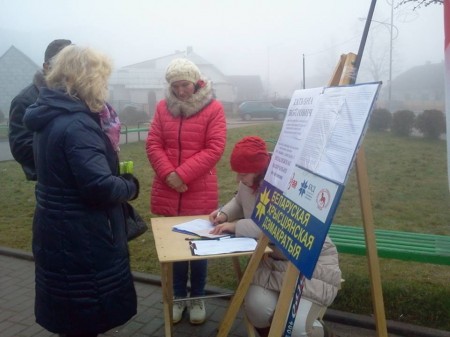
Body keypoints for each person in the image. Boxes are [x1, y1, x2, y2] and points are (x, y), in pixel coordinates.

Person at [23, 45, 138, 337]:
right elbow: (98, 186)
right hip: (82, 237)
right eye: (103, 78)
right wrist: (130, 185)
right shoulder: (77, 124)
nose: (105, 86)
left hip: (57, 230)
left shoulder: (48, 115)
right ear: (88, 79)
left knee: (70, 316)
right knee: (85, 315)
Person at [209, 136, 341, 337]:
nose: (239, 179)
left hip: (310, 261)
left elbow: (271, 228)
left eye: (243, 173)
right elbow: (238, 200)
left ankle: (322, 333)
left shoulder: (285, 183)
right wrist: (224, 214)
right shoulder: (249, 182)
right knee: (256, 309)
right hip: (273, 260)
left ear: (259, 169)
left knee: (295, 327)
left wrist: (235, 226)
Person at [146, 58, 227, 325]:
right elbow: (154, 143)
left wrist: (181, 175)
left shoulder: (213, 109)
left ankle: (197, 297)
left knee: (198, 249)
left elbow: (214, 148)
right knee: (176, 250)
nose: (181, 91)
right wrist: (169, 175)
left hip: (198, 191)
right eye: (175, 86)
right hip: (169, 191)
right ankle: (179, 297)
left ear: (196, 82)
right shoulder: (162, 108)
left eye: (185, 85)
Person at [9, 39, 72, 181]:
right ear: (47, 66)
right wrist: (70, 153)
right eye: (65, 63)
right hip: (51, 180)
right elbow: (21, 149)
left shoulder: (75, 94)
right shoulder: (24, 100)